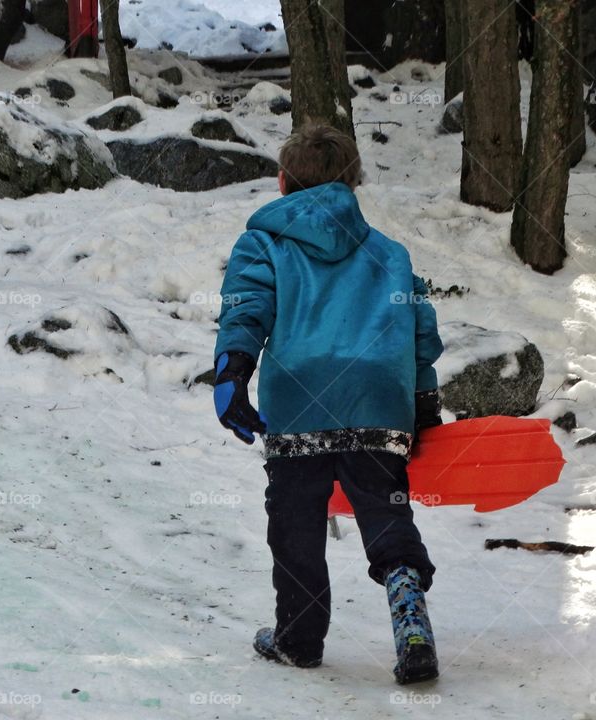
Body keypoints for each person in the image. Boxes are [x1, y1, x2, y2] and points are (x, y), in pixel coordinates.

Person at [212, 124, 444, 684]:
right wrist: (423, 403)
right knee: (386, 512)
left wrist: (232, 374)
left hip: (299, 404)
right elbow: (419, 329)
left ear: (283, 181)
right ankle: (409, 609)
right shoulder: (389, 253)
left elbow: (247, 307)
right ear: (355, 182)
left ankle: (299, 638)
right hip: (377, 402)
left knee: (294, 523)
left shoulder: (263, 243)